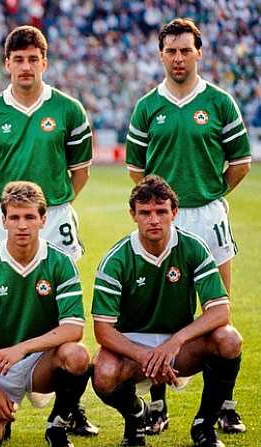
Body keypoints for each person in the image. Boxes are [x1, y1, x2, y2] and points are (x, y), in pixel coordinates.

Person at [125, 18, 251, 433]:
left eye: (185, 50)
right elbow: (136, 170)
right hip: (165, 218)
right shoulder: (147, 106)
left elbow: (240, 163)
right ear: (161, 55)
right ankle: (157, 405)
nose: (178, 58)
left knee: (218, 314)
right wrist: (162, 207)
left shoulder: (219, 102)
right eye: (171, 51)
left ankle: (224, 405)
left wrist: (209, 194)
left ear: (199, 52)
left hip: (208, 215)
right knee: (160, 311)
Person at [91, 175, 243, 447]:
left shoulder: (193, 246)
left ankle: (204, 425)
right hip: (134, 345)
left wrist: (175, 342)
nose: (154, 219)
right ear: (133, 215)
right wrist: (146, 356)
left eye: (161, 211)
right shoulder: (116, 260)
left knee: (229, 339)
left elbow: (220, 312)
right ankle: (135, 416)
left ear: (174, 212)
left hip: (180, 344)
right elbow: (103, 331)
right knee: (103, 373)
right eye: (145, 212)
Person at [0, 181, 92, 447]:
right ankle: (1, 416)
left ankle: (58, 425)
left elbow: (73, 329)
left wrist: (20, 349)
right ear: (4, 220)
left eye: (30, 217)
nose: (22, 225)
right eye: (15, 217)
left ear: (43, 220)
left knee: (77, 356)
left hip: (43, 363)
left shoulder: (60, 262)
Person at [0, 25, 92, 262]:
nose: (26, 67)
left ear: (44, 63)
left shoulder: (69, 109)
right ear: (7, 63)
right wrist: (9, 209)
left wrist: (51, 205)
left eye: (33, 59)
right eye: (18, 60)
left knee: (59, 289)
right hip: (3, 217)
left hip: (54, 216)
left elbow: (81, 172)